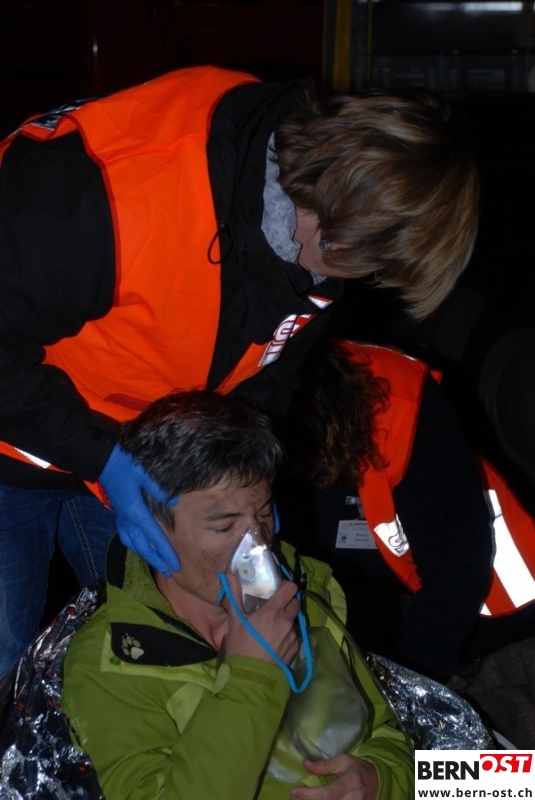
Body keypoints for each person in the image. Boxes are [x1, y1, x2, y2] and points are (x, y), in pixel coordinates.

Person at [0, 64, 479, 690]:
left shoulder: (315, 237)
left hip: (136, 454)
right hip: (18, 439)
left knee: (151, 666)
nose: (350, 282)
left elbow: (270, 368)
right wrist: (104, 457)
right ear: (326, 209)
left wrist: (239, 468)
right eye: (357, 262)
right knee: (5, 661)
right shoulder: (104, 198)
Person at [60, 390, 414, 800]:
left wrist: (378, 780)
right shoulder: (110, 663)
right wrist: (250, 676)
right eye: (224, 526)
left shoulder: (301, 598)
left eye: (262, 514)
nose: (256, 544)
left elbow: (389, 736)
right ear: (151, 531)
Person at [281, 339, 535, 684]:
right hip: (378, 594)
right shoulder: (259, 405)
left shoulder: (400, 412)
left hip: (493, 607)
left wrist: (406, 687)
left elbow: (457, 572)